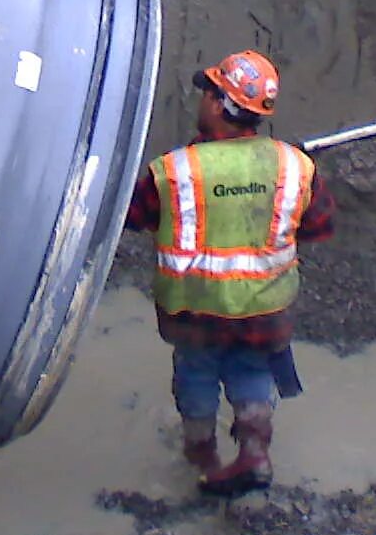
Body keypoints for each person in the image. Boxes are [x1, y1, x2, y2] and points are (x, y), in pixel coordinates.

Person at [124, 50, 334, 496]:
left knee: (196, 376)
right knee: (254, 372)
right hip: (265, 310)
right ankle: (254, 454)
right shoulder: (295, 166)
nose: (200, 99)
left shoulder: (175, 171)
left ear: (221, 104)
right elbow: (319, 227)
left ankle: (203, 459)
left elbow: (133, 216)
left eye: (208, 91)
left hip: (194, 312)